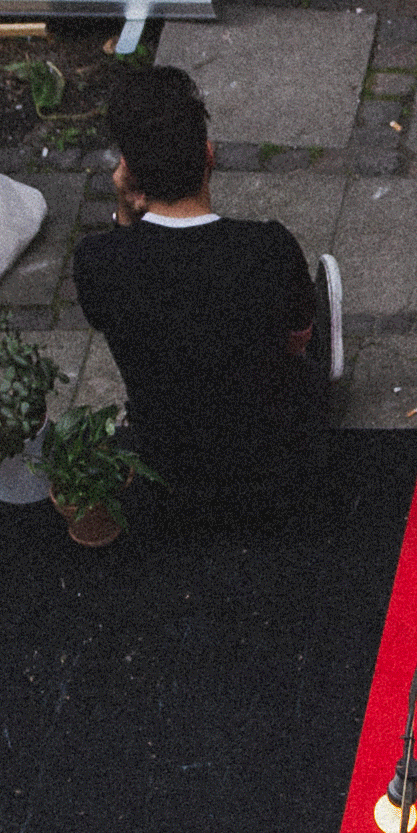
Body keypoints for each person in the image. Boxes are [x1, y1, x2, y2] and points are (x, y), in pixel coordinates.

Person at [69, 63, 330, 527]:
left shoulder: (97, 261)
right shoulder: (268, 247)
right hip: (275, 465)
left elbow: (112, 301)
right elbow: (296, 339)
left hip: (172, 468)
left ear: (130, 176)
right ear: (209, 154)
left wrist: (126, 212)